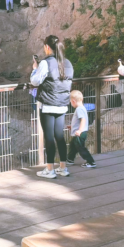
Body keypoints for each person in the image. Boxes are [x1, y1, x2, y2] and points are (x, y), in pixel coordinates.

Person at [30, 35, 74, 178]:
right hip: (62, 104)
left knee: (49, 137)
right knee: (59, 136)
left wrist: (35, 69)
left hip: (48, 105)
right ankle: (63, 168)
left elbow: (35, 81)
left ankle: (50, 169)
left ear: (47, 47)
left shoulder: (46, 62)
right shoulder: (67, 63)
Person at [66, 90, 96, 168]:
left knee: (80, 148)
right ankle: (70, 159)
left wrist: (79, 130)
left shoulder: (79, 109)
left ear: (73, 101)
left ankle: (91, 161)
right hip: (79, 132)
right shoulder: (82, 108)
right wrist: (72, 127)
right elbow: (79, 121)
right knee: (73, 146)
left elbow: (83, 119)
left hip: (80, 133)